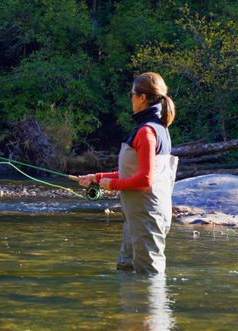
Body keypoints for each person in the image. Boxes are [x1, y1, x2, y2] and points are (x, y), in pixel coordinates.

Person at [70, 72, 179, 274]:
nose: (131, 98)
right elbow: (131, 171)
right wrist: (98, 178)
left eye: (132, 94)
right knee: (126, 270)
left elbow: (145, 179)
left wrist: (110, 186)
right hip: (139, 216)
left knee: (149, 277)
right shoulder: (157, 128)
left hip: (147, 216)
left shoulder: (147, 132)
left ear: (142, 98)